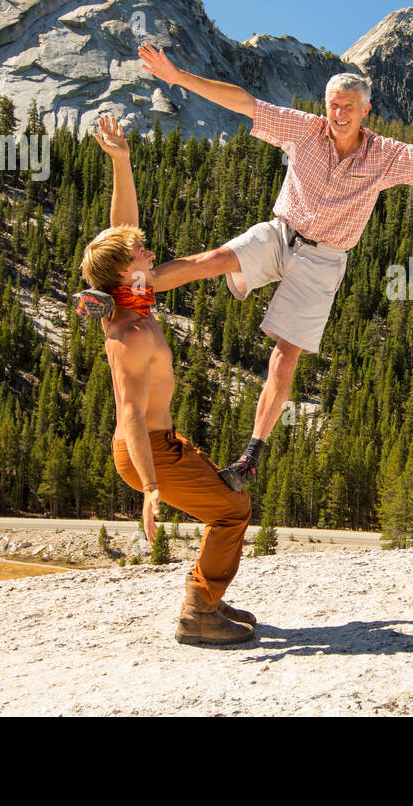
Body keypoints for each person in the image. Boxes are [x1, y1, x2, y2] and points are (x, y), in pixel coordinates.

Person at [137, 42, 413, 492]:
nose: (339, 114)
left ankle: (249, 458)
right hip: (282, 232)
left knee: (285, 357)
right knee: (215, 259)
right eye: (334, 105)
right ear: (325, 106)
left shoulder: (385, 155)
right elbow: (243, 102)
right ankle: (136, 286)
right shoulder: (303, 129)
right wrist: (179, 77)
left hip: (324, 260)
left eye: (349, 107)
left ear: (365, 110)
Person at [77, 114, 256, 648]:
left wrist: (121, 162)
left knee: (227, 501)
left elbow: (122, 230)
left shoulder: (134, 298)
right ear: (123, 273)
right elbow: (130, 412)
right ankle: (199, 610)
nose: (150, 255)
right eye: (142, 255)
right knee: (232, 510)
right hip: (146, 452)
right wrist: (151, 487)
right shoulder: (128, 332)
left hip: (162, 445)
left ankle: (208, 599)